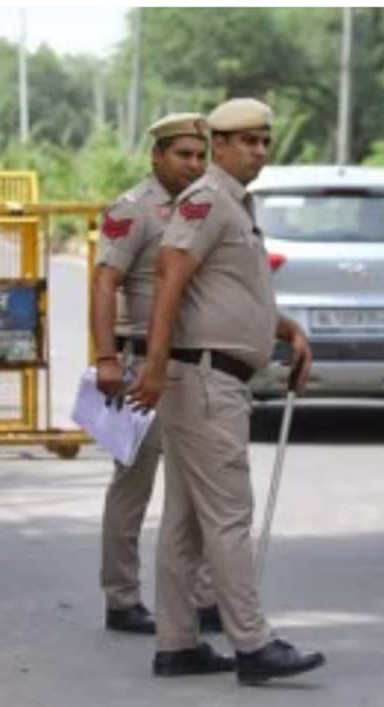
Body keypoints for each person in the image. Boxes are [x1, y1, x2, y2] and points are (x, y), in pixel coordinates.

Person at [127, 98, 324, 684]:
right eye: (246, 142)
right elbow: (170, 275)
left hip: (212, 375)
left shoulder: (236, 205)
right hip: (205, 379)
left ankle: (178, 643)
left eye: (265, 141)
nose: (259, 152)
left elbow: (226, 291)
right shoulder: (208, 200)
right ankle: (254, 644)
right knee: (230, 515)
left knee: (187, 518)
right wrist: (155, 365)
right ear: (220, 145)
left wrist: (283, 328)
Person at [89, 114, 221, 635]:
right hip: (137, 364)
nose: (192, 164)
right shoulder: (133, 210)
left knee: (196, 484)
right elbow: (104, 283)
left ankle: (204, 596)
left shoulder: (205, 208)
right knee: (134, 485)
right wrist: (104, 358)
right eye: (182, 154)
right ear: (157, 157)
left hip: (188, 364)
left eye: (199, 155)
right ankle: (121, 597)